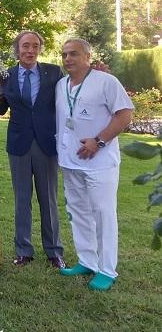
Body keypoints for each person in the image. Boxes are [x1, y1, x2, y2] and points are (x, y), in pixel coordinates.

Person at [55, 38, 133, 291]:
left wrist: (98, 141)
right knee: (78, 212)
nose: (68, 59)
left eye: (74, 54)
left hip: (99, 161)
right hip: (70, 161)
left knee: (103, 214)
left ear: (87, 56)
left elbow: (124, 114)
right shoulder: (61, 85)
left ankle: (107, 270)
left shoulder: (106, 82)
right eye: (65, 54)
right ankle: (87, 261)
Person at [0, 31, 65, 268]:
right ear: (17, 49)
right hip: (19, 144)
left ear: (40, 49)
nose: (30, 50)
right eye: (25, 46)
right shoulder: (7, 75)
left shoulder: (54, 73)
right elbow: (1, 106)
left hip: (46, 143)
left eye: (35, 46)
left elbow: (67, 100)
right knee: (22, 199)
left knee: (48, 199)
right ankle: (23, 250)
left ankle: (54, 251)